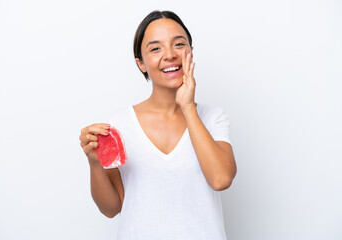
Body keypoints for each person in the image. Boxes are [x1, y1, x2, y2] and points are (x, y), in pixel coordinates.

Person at [79, 10, 237, 240]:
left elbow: (221, 179)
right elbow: (111, 208)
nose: (170, 55)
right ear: (141, 63)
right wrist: (94, 163)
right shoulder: (118, 125)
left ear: (190, 53)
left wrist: (187, 107)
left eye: (179, 44)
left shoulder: (213, 118)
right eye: (155, 48)